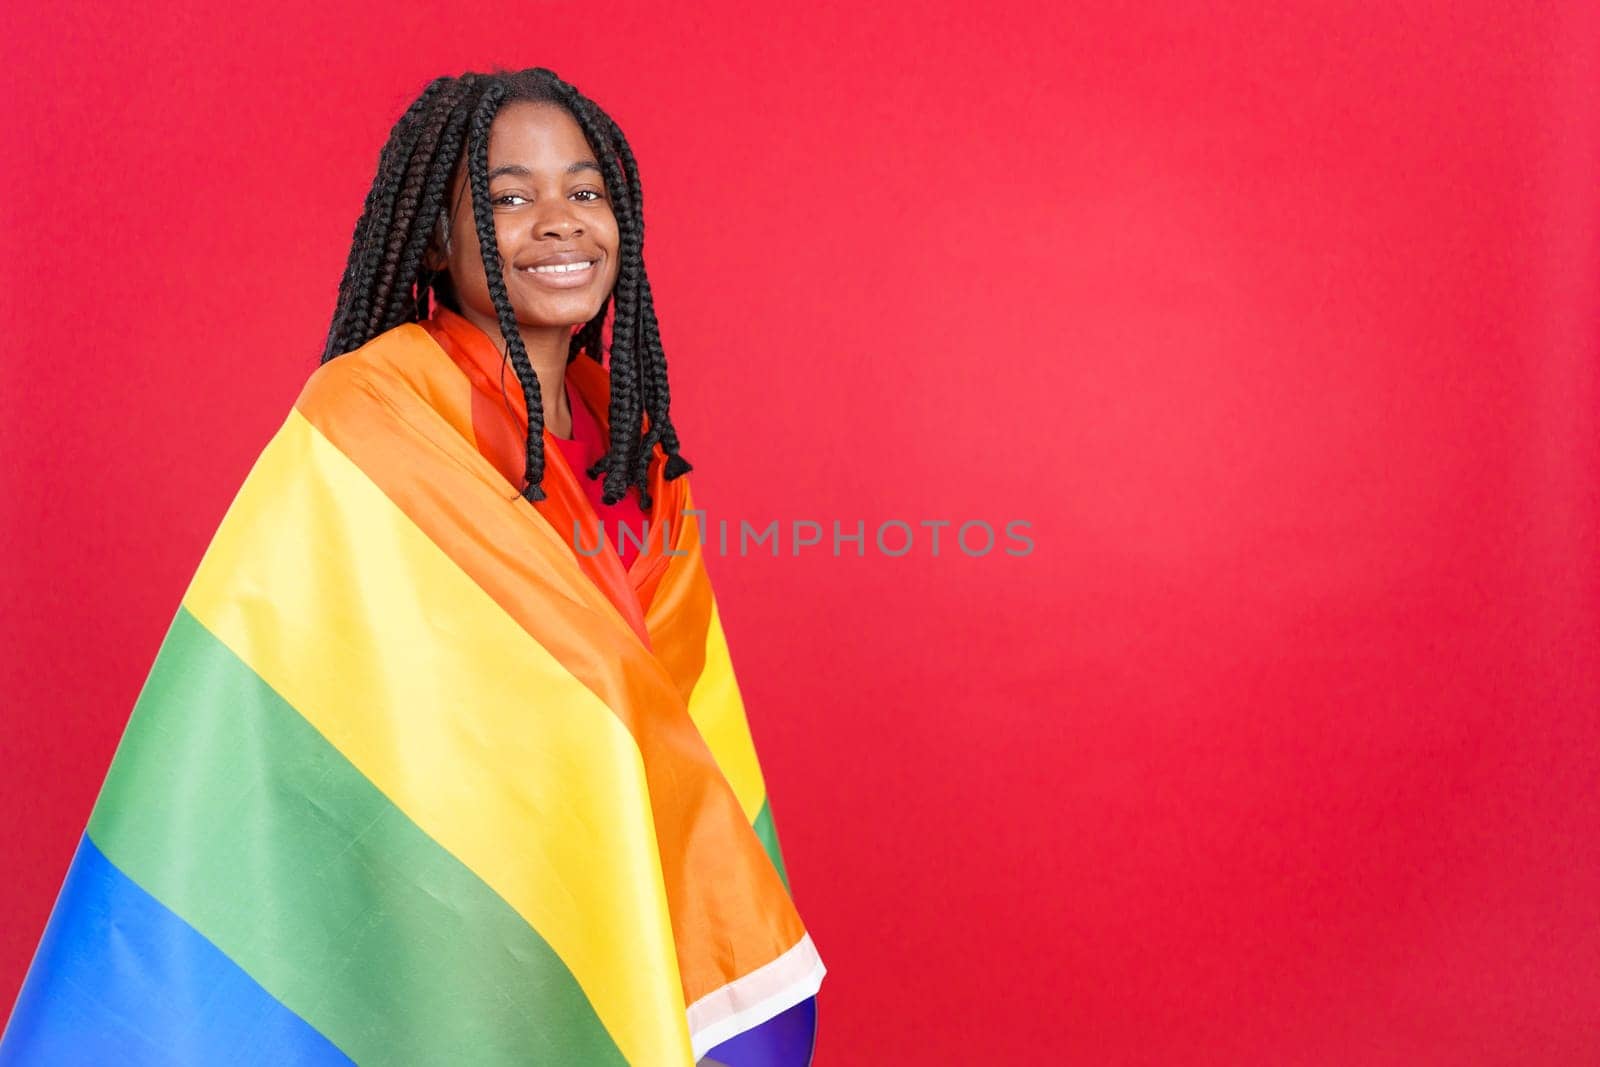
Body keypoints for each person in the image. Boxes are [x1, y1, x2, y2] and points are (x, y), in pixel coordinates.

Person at [0, 67, 823, 1066]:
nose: (559, 222)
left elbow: (677, 721)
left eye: (586, 190)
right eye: (509, 196)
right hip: (438, 898)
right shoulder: (373, 413)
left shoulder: (633, 451)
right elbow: (318, 691)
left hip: (601, 882)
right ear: (435, 240)